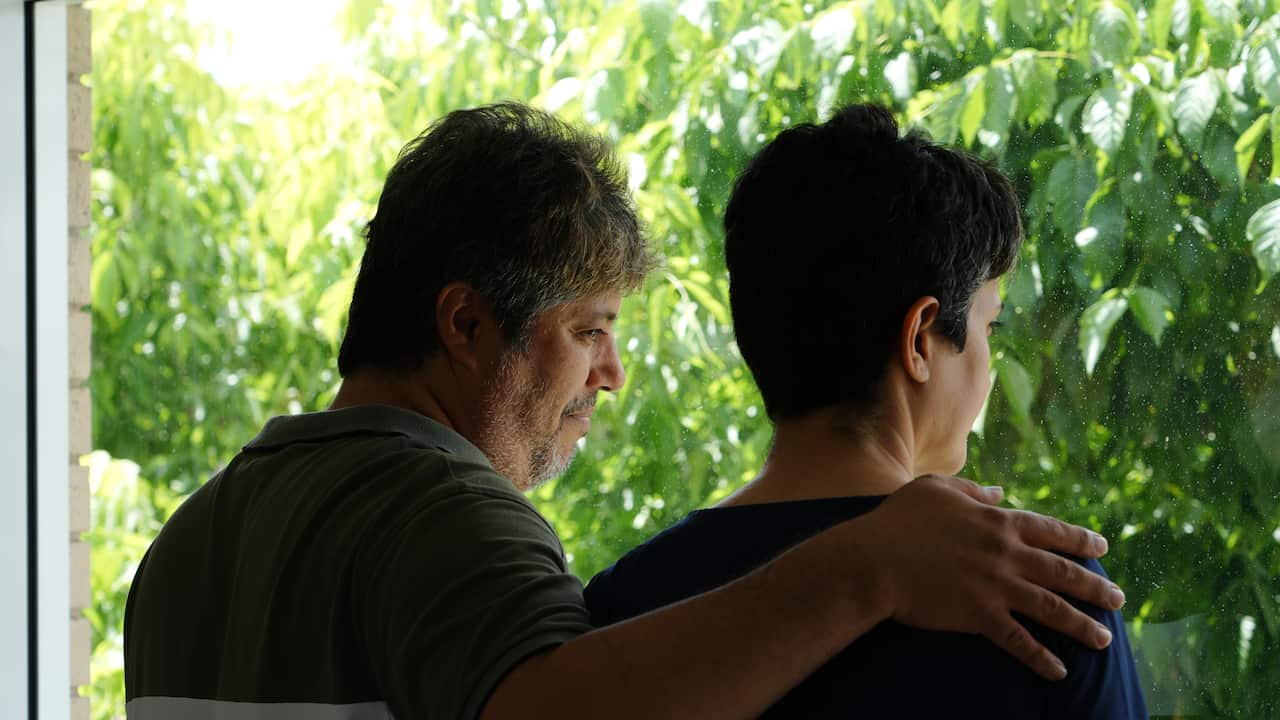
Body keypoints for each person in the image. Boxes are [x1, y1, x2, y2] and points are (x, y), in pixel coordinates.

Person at [124, 102, 1127, 720]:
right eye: (588, 329)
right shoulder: (443, 521)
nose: (609, 376)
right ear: (467, 326)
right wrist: (871, 561)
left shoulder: (190, 542)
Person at [584, 104, 1148, 718]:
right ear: (919, 340)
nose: (990, 363)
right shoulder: (1044, 591)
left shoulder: (623, 608)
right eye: (992, 325)